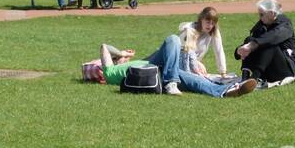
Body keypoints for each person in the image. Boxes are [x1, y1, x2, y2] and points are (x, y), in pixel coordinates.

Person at [84, 39, 255, 98]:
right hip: (150, 72)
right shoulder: (110, 73)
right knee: (182, 75)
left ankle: (227, 90)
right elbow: (104, 46)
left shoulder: (128, 65)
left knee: (173, 40)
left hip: (152, 64)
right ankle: (225, 91)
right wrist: (119, 52)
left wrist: (124, 57)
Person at [234, 0, 295, 88]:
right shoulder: (262, 24)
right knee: (250, 39)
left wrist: (252, 45)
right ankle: (245, 77)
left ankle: (254, 79)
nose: (259, 17)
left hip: (285, 71)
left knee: (270, 44)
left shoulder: (285, 24)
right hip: (267, 69)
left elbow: (273, 37)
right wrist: (239, 51)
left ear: (272, 13)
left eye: (262, 14)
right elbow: (252, 42)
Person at [178, 6, 227, 76]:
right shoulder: (189, 29)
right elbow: (185, 53)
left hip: (195, 66)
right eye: (208, 22)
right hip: (181, 65)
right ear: (201, 19)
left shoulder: (213, 31)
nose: (210, 26)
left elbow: (219, 51)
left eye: (212, 23)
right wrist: (197, 63)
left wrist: (223, 72)